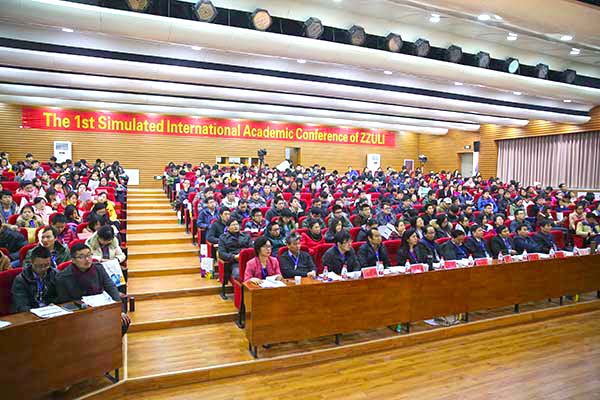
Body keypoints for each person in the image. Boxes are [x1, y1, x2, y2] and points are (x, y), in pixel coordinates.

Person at [55, 243, 130, 335]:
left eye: (89, 255)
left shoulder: (98, 268)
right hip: (78, 313)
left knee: (123, 321)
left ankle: (113, 343)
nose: (87, 259)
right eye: (81, 257)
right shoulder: (63, 277)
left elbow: (111, 287)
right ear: (73, 260)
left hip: (100, 308)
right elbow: (64, 301)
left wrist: (119, 310)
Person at [11, 246, 57, 312]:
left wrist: (55, 304)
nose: (43, 269)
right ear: (31, 262)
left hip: (51, 311)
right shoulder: (21, 280)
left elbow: (60, 297)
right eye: (39, 266)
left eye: (47, 265)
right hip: (31, 312)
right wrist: (39, 310)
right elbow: (22, 306)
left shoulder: (55, 274)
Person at [217, 218, 252, 299]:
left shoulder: (246, 235)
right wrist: (234, 257)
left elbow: (251, 248)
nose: (236, 226)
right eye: (233, 225)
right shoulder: (223, 238)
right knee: (238, 275)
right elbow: (221, 253)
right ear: (228, 228)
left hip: (248, 261)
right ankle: (242, 296)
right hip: (234, 262)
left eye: (236, 224)